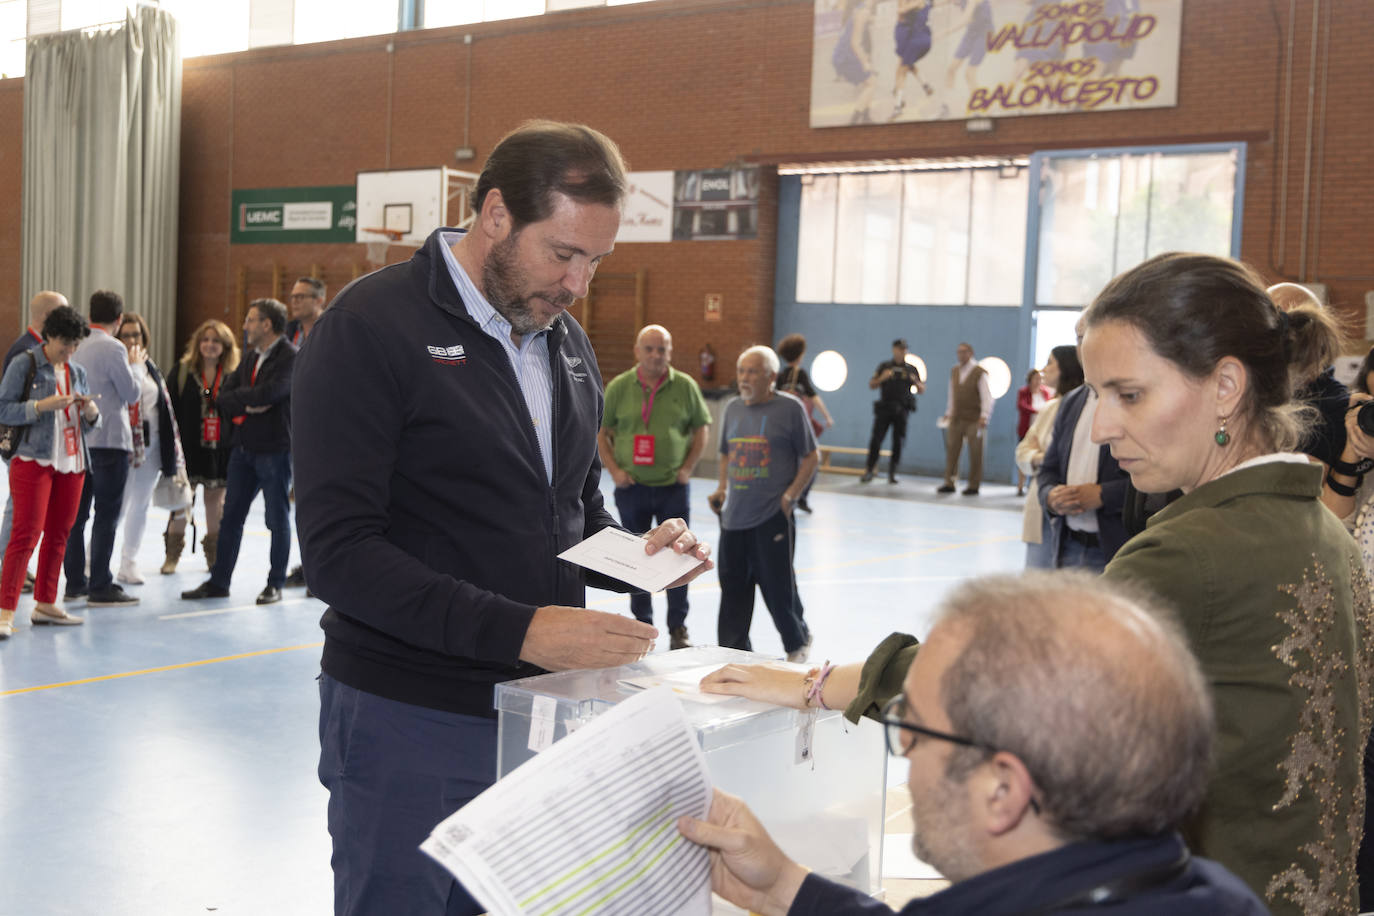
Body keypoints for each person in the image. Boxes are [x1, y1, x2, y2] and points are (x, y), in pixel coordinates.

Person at [699, 253, 1372, 915]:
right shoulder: (1325, 532)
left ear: (1227, 386)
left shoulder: (1190, 554)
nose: (1104, 428)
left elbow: (985, 680)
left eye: (1129, 395)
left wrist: (812, 686)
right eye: (1098, 396)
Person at [291, 120, 711, 916]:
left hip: (539, 718)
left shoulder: (565, 343)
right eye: (563, 253)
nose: (579, 282)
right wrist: (520, 631)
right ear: (494, 216)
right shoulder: (370, 328)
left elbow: (572, 513)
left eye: (597, 259)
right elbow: (341, 554)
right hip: (407, 717)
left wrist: (640, 558)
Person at [681, 573, 1270, 915]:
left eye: (916, 730)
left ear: (1003, 790)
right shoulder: (1219, 895)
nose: (906, 750)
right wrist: (785, 883)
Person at [598, 324, 712, 649]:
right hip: (631, 487)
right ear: (637, 351)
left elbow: (701, 428)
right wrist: (616, 470)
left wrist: (688, 467)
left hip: (672, 487)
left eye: (662, 349)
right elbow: (601, 432)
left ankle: (678, 628)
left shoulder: (685, 386)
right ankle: (642, 626)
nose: (655, 355)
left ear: (670, 352)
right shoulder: (619, 387)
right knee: (638, 557)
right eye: (649, 348)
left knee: (680, 556)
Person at [180, 298, 295, 606]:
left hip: (274, 450)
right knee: (230, 518)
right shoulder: (250, 357)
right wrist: (251, 403)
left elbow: (272, 393)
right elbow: (224, 396)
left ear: (266, 325)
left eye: (250, 320)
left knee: (276, 518)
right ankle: (219, 582)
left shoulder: (290, 357)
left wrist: (247, 399)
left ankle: (275, 583)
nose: (245, 326)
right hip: (243, 449)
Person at [709, 345, 817, 663]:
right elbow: (727, 453)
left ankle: (796, 644)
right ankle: (733, 652)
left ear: (771, 377)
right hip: (734, 518)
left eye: (752, 372)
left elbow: (811, 456)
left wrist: (790, 496)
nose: (744, 378)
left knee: (777, 587)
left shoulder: (791, 409)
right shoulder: (732, 408)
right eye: (741, 371)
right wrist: (722, 488)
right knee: (732, 589)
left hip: (772, 515)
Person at [0, 306, 102, 638]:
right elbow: (3, 408)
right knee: (25, 535)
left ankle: (45, 603)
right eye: (65, 344)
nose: (69, 351)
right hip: (33, 460)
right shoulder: (24, 364)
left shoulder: (78, 371)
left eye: (75, 345)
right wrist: (41, 407)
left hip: (72, 463)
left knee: (60, 534)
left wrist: (91, 411)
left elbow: (92, 427)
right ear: (50, 336)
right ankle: (5, 610)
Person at [63, 289, 144, 607]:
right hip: (110, 441)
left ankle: (74, 583)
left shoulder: (77, 344)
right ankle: (100, 585)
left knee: (76, 516)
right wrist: (136, 366)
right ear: (119, 319)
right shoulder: (113, 348)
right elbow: (131, 393)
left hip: (81, 440)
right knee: (106, 516)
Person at [1037, 317, 1129, 572]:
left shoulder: (1132, 401)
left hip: (1115, 547)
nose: (1085, 345)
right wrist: (1050, 496)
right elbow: (1048, 470)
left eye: (1090, 336)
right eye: (1079, 338)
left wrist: (1102, 495)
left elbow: (1161, 483)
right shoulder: (1071, 402)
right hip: (1068, 544)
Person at [0, 289, 67, 593]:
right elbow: (6, 405)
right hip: (21, 445)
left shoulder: (43, 348)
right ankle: (5, 567)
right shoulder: (24, 352)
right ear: (45, 318)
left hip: (38, 446)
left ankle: (13, 566)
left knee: (23, 512)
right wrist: (41, 407)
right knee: (19, 511)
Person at [162, 319, 241, 574]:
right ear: (198, 344)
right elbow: (168, 409)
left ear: (225, 346)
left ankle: (213, 558)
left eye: (216, 341)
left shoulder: (233, 375)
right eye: (205, 340)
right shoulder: (183, 371)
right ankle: (172, 555)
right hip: (188, 450)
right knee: (182, 502)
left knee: (214, 504)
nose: (210, 345)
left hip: (220, 449)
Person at [112, 313, 184, 585]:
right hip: (124, 448)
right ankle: (91, 561)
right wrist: (133, 368)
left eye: (137, 335)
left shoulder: (150, 366)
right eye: (126, 335)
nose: (132, 340)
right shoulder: (120, 365)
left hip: (152, 449)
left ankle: (129, 562)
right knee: (116, 508)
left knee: (139, 507)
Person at [1015, 345, 1081, 568]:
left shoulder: (1084, 407)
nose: (1044, 369)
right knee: (1037, 574)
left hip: (1074, 502)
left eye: (1050, 362)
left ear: (1067, 368)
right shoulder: (1049, 408)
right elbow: (1023, 451)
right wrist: (1042, 459)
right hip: (1042, 500)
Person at [281, 276, 328, 592]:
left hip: (328, 429)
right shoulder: (289, 334)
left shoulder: (333, 330)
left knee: (327, 502)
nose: (295, 302)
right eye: (293, 296)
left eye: (302, 297)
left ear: (318, 300)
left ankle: (323, 571)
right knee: (303, 503)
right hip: (294, 427)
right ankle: (308, 564)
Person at [776, 332, 832, 509]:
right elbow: (814, 397)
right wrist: (827, 417)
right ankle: (801, 495)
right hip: (796, 424)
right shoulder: (800, 375)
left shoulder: (780, 375)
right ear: (800, 354)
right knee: (811, 460)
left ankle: (790, 492)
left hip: (780, 423)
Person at [862, 338, 921, 484]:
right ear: (893, 349)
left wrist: (915, 381)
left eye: (904, 349)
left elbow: (922, 389)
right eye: (899, 348)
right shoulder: (884, 366)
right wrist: (883, 378)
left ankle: (892, 473)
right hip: (885, 409)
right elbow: (872, 384)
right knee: (876, 439)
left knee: (898, 442)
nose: (901, 351)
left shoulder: (911, 369)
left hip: (902, 410)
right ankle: (869, 470)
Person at [937, 342, 990, 495]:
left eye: (964, 352)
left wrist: (984, 416)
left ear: (971, 352)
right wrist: (949, 411)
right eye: (958, 352)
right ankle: (950, 481)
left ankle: (974, 484)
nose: (960, 355)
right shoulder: (954, 371)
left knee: (975, 452)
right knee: (952, 450)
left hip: (974, 419)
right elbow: (952, 394)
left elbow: (987, 396)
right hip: (957, 418)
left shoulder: (979, 372)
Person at [889, 0, 934, 120]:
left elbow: (901, 10)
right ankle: (925, 85)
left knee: (902, 68)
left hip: (911, 34)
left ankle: (898, 105)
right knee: (905, 64)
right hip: (907, 32)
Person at [1014, 367, 1051, 495]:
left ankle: (1033, 485)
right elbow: (1021, 405)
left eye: (1039, 379)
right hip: (1026, 429)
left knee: (1038, 458)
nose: (1038, 381)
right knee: (1023, 455)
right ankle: (1020, 485)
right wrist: (1037, 411)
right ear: (1030, 380)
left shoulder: (1045, 393)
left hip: (1041, 431)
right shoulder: (1023, 392)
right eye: (1035, 378)